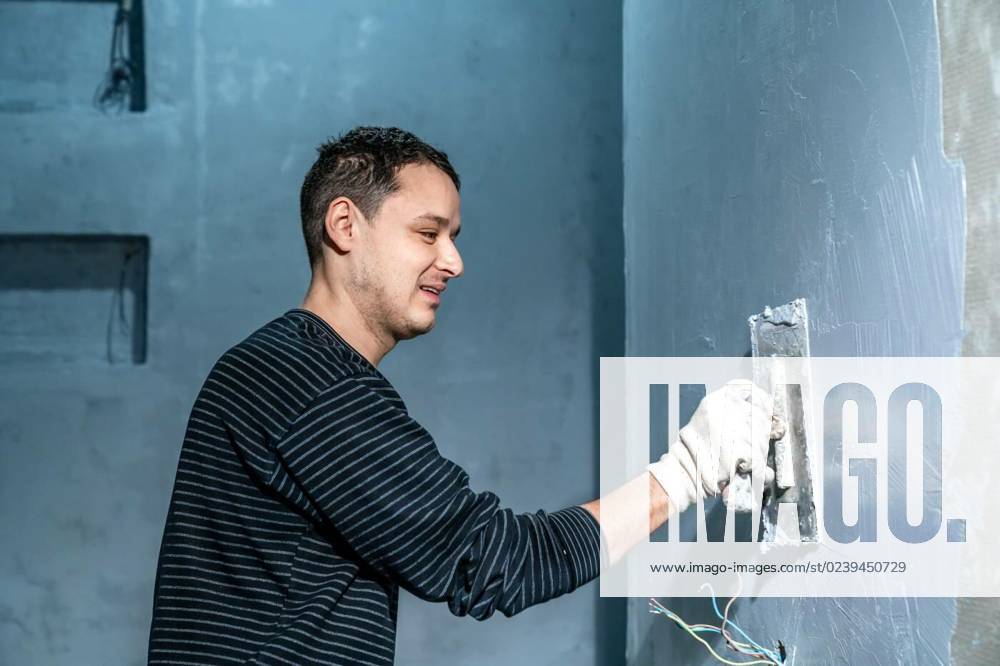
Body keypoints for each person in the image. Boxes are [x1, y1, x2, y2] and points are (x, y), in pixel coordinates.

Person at [147, 126, 776, 665]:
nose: (454, 261)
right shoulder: (308, 382)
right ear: (345, 225)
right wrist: (686, 473)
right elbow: (492, 561)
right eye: (428, 233)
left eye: (454, 235)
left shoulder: (285, 370)